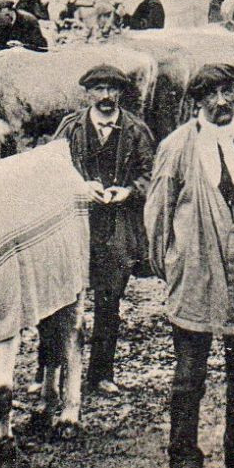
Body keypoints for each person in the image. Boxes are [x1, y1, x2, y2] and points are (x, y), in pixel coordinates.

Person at [144, 63, 234, 468]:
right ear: (196, 101)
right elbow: (159, 213)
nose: (222, 102)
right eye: (211, 94)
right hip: (195, 270)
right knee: (189, 372)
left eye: (229, 92)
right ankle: (184, 460)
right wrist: (171, 266)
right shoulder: (177, 146)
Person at [54, 65, 155, 395]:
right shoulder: (70, 129)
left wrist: (127, 191)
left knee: (109, 301)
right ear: (88, 94)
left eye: (112, 89)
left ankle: (100, 373)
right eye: (98, 89)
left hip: (117, 226)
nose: (106, 96)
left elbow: (150, 176)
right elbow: (51, 169)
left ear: (121, 94)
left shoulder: (137, 131)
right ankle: (49, 372)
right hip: (76, 222)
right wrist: (80, 186)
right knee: (60, 299)